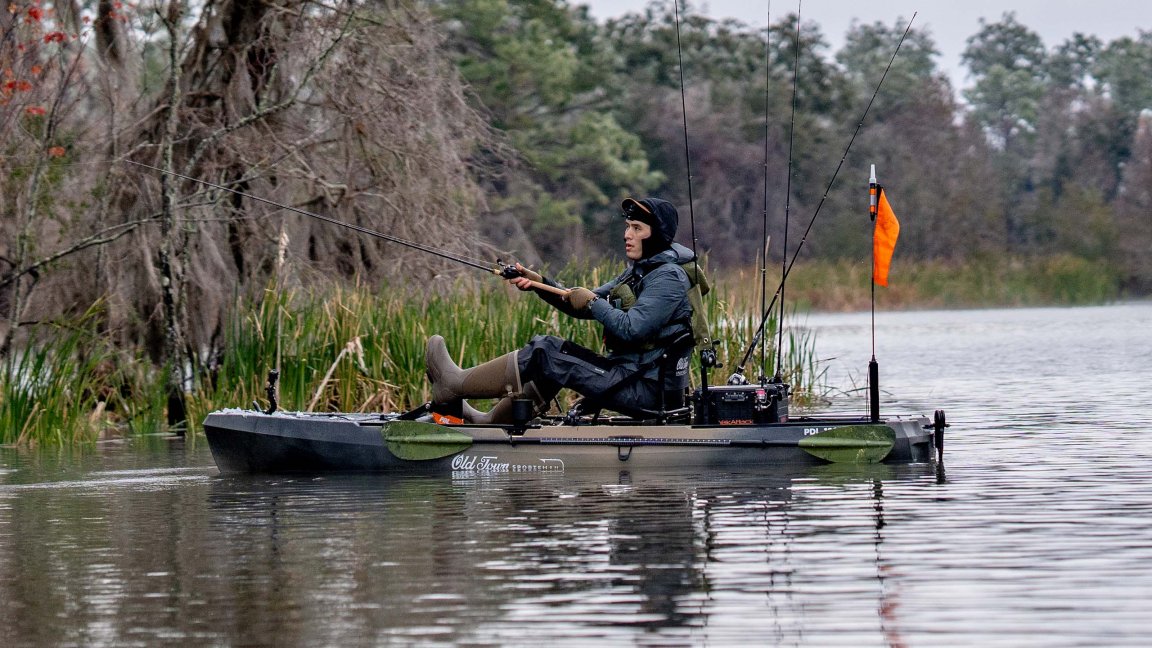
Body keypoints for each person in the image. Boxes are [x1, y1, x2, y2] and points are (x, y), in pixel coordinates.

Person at [425, 197, 696, 424]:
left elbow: (631, 326)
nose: (627, 235)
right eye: (627, 227)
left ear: (657, 235)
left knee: (546, 352)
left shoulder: (668, 278)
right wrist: (538, 283)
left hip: (645, 389)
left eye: (637, 228)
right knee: (552, 359)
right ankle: (490, 423)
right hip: (628, 376)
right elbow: (578, 302)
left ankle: (453, 384)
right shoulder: (639, 272)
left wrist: (592, 302)